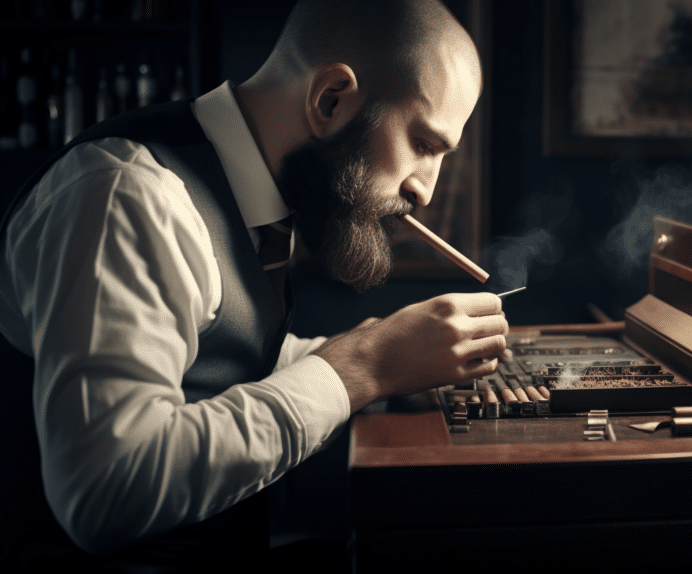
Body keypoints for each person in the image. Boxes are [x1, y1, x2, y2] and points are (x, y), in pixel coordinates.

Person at [0, 0, 505, 571]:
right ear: (330, 100)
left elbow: (209, 358)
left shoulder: (259, 192)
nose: (425, 191)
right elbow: (103, 490)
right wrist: (364, 365)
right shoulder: (127, 197)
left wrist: (396, 361)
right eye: (423, 144)